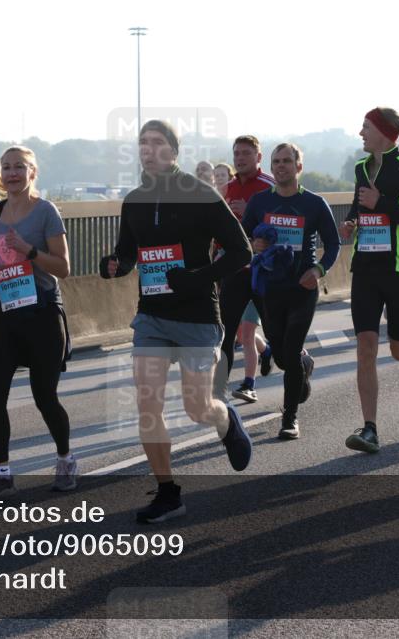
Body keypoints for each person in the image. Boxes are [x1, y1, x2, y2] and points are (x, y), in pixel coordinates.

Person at [99, 119, 253, 523]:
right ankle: (168, 492)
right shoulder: (134, 201)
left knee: (197, 408)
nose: (148, 149)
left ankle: (225, 419)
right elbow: (128, 252)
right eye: (142, 143)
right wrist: (116, 265)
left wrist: (196, 278)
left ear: (174, 150)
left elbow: (241, 252)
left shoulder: (200, 195)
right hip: (152, 316)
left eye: (157, 142)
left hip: (197, 316)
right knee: (147, 404)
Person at [0, 146, 76, 501]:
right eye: (7, 167)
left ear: (32, 172)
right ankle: (2, 475)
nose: (12, 173)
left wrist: (29, 250)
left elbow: (63, 267)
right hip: (7, 309)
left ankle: (65, 459)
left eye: (19, 167)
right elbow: (1, 249)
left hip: (42, 312)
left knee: (45, 397)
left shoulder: (46, 211)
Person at [340, 107, 399, 454]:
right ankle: (370, 429)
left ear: (383, 132)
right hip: (365, 269)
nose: (360, 133)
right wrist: (351, 222)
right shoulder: (360, 168)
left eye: (365, 127)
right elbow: (359, 208)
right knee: (365, 346)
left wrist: (383, 202)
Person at [240, 143, 340, 439]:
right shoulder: (260, 202)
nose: (281, 166)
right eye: (276, 161)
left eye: (286, 161)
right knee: (284, 358)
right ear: (271, 167)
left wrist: (318, 270)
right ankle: (303, 366)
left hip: (302, 288)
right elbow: (242, 237)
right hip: (269, 290)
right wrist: (254, 245)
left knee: (292, 348)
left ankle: (290, 418)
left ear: (298, 166)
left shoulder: (314, 203)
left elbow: (333, 244)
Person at [217, 136, 302, 403]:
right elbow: (220, 229)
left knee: (277, 335)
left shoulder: (270, 186)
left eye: (246, 153)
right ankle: (221, 395)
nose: (240, 158)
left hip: (265, 272)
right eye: (236, 153)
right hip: (235, 271)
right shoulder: (227, 188)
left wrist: (250, 215)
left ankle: (300, 360)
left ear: (259, 157)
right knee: (229, 332)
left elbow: (286, 228)